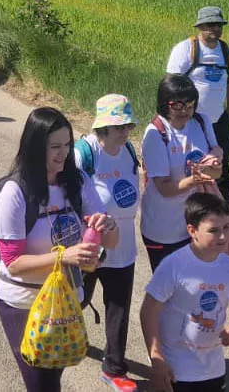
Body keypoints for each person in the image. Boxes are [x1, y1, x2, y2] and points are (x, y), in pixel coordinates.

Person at [0, 107, 119, 392]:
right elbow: (12, 262)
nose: (63, 154)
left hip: (67, 300)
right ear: (36, 148)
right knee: (42, 384)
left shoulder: (77, 182)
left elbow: (109, 244)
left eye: (68, 145)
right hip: (24, 302)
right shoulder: (14, 192)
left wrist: (107, 226)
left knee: (53, 378)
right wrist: (64, 257)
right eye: (55, 147)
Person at [140, 193, 229, 392]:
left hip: (214, 370)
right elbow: (148, 312)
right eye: (213, 230)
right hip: (176, 370)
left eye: (226, 227)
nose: (223, 236)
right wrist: (156, 358)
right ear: (192, 230)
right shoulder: (173, 266)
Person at [76, 94, 143, 392]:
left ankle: (114, 368)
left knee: (118, 308)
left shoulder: (128, 150)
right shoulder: (85, 153)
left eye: (127, 125)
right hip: (89, 245)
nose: (125, 131)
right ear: (102, 127)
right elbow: (67, 194)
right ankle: (61, 336)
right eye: (119, 126)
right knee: (77, 298)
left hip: (124, 245)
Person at [165, 6, 229, 226]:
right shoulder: (185, 50)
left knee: (222, 170)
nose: (215, 30)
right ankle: (187, 217)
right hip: (190, 122)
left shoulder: (226, 52)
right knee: (187, 169)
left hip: (217, 122)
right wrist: (173, 118)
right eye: (210, 25)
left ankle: (228, 222)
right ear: (199, 27)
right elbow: (171, 84)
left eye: (218, 25)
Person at [140, 75, 222, 271]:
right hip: (164, 229)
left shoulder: (200, 122)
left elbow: (216, 161)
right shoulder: (156, 133)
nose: (184, 110)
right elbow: (165, 189)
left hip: (195, 225)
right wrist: (194, 180)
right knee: (169, 292)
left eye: (189, 104)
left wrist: (213, 164)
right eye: (177, 105)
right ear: (164, 104)